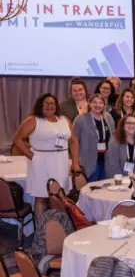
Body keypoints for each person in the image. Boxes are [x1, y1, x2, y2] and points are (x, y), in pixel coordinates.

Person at [13, 93, 81, 222]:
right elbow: (17, 139)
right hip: (41, 162)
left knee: (61, 195)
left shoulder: (64, 120)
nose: (50, 106)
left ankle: (61, 227)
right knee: (42, 196)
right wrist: (30, 155)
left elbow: (73, 141)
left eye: (53, 103)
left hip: (61, 160)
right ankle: (40, 229)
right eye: (47, 103)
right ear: (40, 105)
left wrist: (75, 163)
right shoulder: (33, 120)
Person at [73, 93, 115, 182]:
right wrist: (75, 163)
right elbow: (74, 142)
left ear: (104, 105)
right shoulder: (81, 119)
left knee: (104, 189)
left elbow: (113, 138)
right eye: (95, 102)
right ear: (89, 103)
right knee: (90, 189)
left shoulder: (108, 118)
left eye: (101, 103)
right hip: (88, 162)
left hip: (105, 161)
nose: (98, 105)